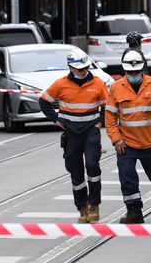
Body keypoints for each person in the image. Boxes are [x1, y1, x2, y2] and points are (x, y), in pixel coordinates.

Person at [105, 50, 151, 223]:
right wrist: (116, 139)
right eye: (130, 72)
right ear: (125, 71)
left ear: (142, 69)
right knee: (127, 177)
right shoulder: (116, 88)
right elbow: (110, 118)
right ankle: (134, 210)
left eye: (136, 72)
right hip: (127, 144)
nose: (134, 75)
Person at [39, 51, 108, 223]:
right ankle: (82, 207)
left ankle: (94, 204)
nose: (83, 71)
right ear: (70, 67)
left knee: (92, 166)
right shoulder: (61, 84)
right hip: (71, 133)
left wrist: (100, 122)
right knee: (75, 170)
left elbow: (108, 107)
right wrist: (56, 120)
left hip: (90, 131)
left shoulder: (97, 83)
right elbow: (44, 101)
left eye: (85, 68)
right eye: (79, 69)